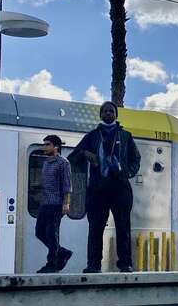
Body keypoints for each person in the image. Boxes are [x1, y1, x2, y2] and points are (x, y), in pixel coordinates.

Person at [69, 101, 141, 273]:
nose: (108, 113)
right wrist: (86, 154)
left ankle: (125, 264)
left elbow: (136, 159)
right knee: (95, 228)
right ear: (100, 115)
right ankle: (93, 265)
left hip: (120, 189)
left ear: (116, 115)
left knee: (123, 227)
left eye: (111, 111)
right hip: (97, 190)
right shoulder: (92, 136)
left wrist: (126, 172)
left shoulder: (125, 136)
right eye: (105, 111)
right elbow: (73, 157)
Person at [35, 135, 73, 273]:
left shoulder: (63, 163)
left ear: (56, 147)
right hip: (45, 203)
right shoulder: (46, 163)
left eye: (47, 144)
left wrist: (66, 203)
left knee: (52, 233)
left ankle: (52, 263)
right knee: (39, 232)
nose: (44, 147)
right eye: (44, 144)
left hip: (56, 203)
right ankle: (62, 252)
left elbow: (67, 185)